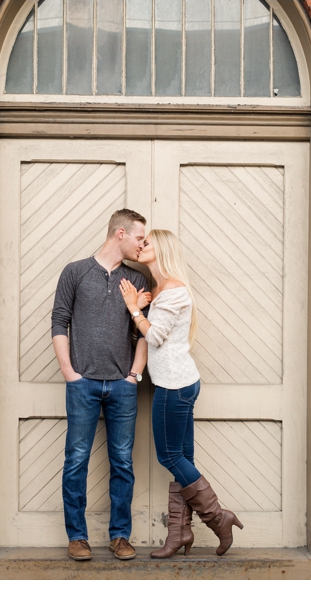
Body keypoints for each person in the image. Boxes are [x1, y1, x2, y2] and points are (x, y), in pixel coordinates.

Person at [120, 229, 243, 557]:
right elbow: (154, 332)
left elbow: (156, 336)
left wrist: (134, 308)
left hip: (175, 384)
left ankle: (218, 518)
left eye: (147, 243)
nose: (142, 246)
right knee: (182, 459)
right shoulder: (161, 289)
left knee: (169, 456)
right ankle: (179, 533)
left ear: (162, 250)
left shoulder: (174, 290)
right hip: (177, 381)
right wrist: (143, 307)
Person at [51, 208, 150, 561]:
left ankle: (120, 536)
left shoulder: (138, 280)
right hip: (83, 384)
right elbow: (60, 322)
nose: (143, 243)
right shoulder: (75, 272)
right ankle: (77, 537)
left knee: (122, 461)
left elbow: (142, 333)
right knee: (76, 459)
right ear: (120, 234)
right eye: (139, 237)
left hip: (122, 386)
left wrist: (134, 375)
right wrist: (69, 373)